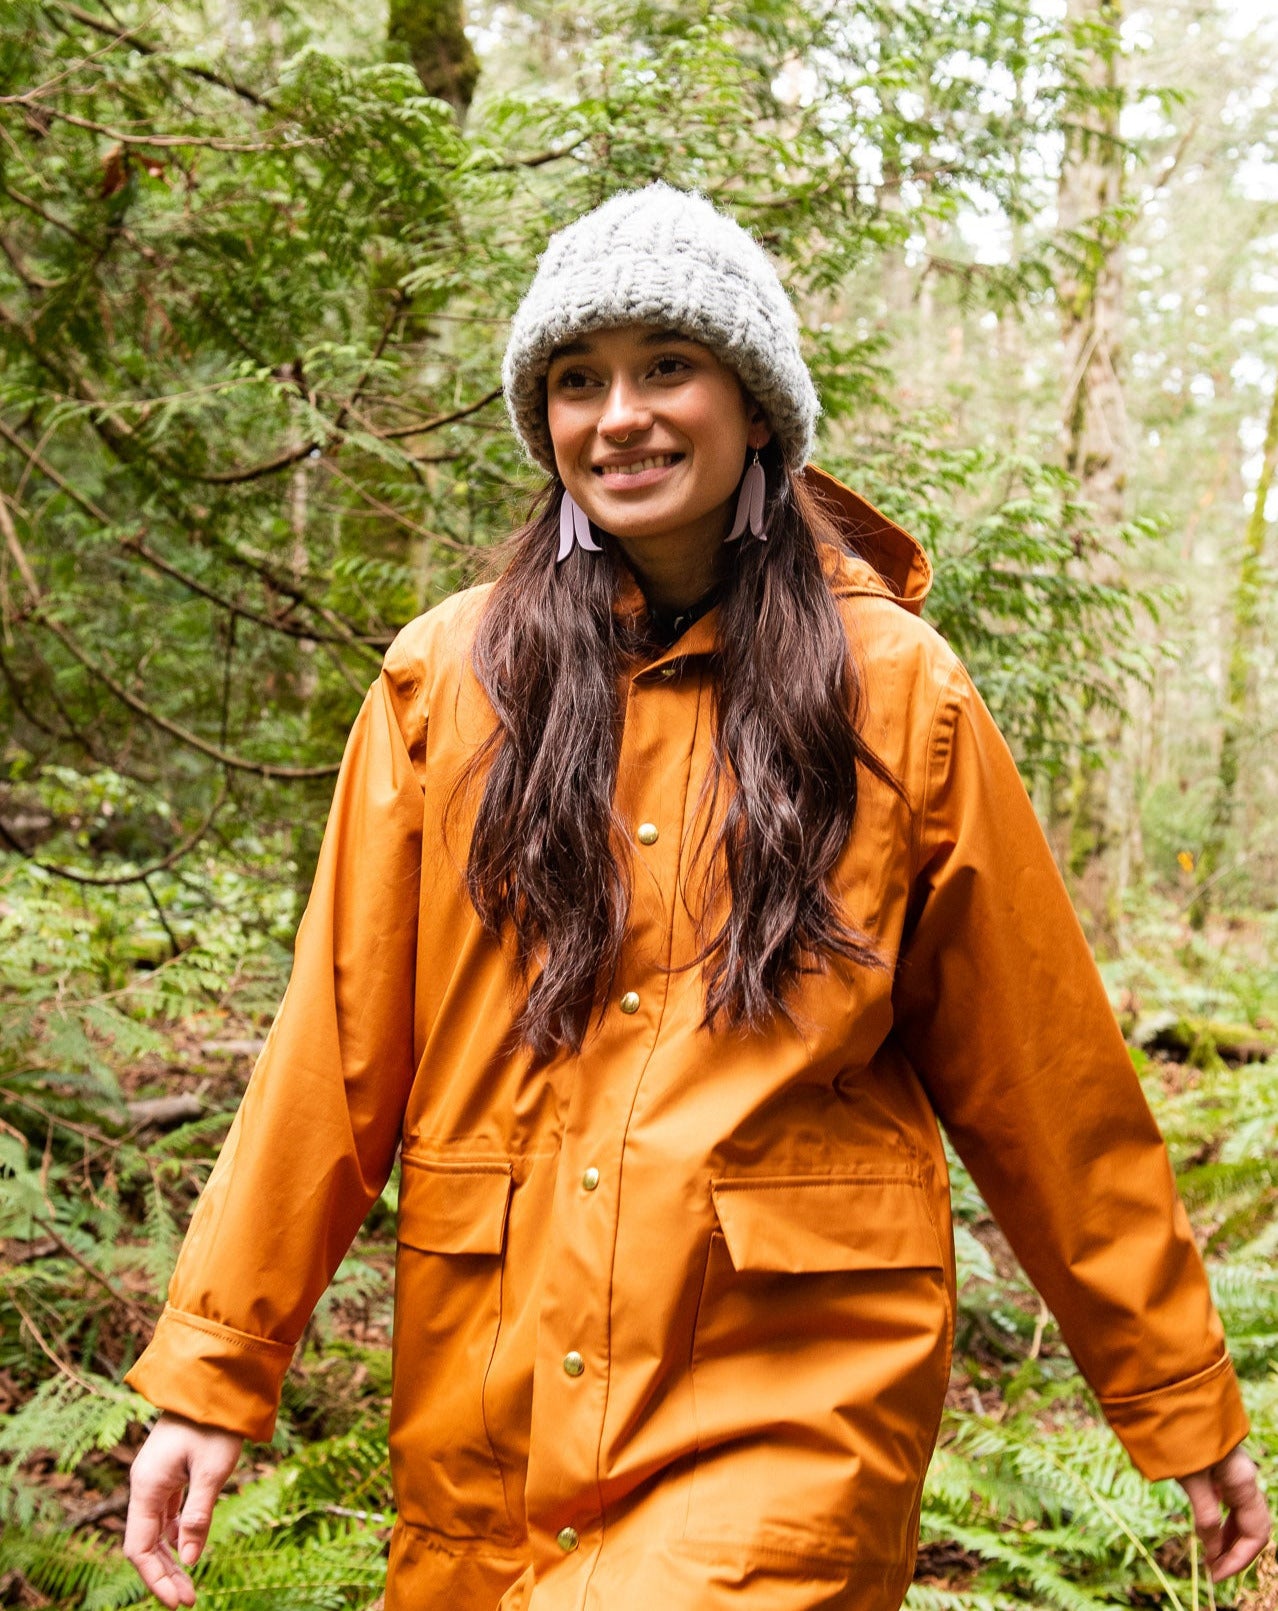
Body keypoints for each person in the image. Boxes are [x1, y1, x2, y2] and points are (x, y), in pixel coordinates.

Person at [122, 184, 1270, 1611]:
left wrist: (1168, 1385)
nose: (620, 416)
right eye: (575, 380)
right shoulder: (444, 683)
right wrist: (216, 1373)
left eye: (667, 364)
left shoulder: (898, 696)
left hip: (785, 1387)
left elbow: (1044, 1079)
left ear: (755, 405)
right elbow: (331, 1053)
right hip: (491, 1400)